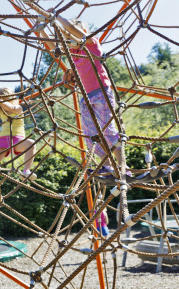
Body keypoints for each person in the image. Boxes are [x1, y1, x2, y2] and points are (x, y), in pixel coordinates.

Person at [38, 10, 129, 176]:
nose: (68, 40)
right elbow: (54, 47)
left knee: (107, 132)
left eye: (69, 36)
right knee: (92, 135)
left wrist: (56, 17)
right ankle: (107, 167)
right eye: (66, 38)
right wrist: (41, 28)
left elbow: (72, 28)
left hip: (101, 92)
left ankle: (124, 168)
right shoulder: (74, 53)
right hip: (87, 98)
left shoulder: (91, 44)